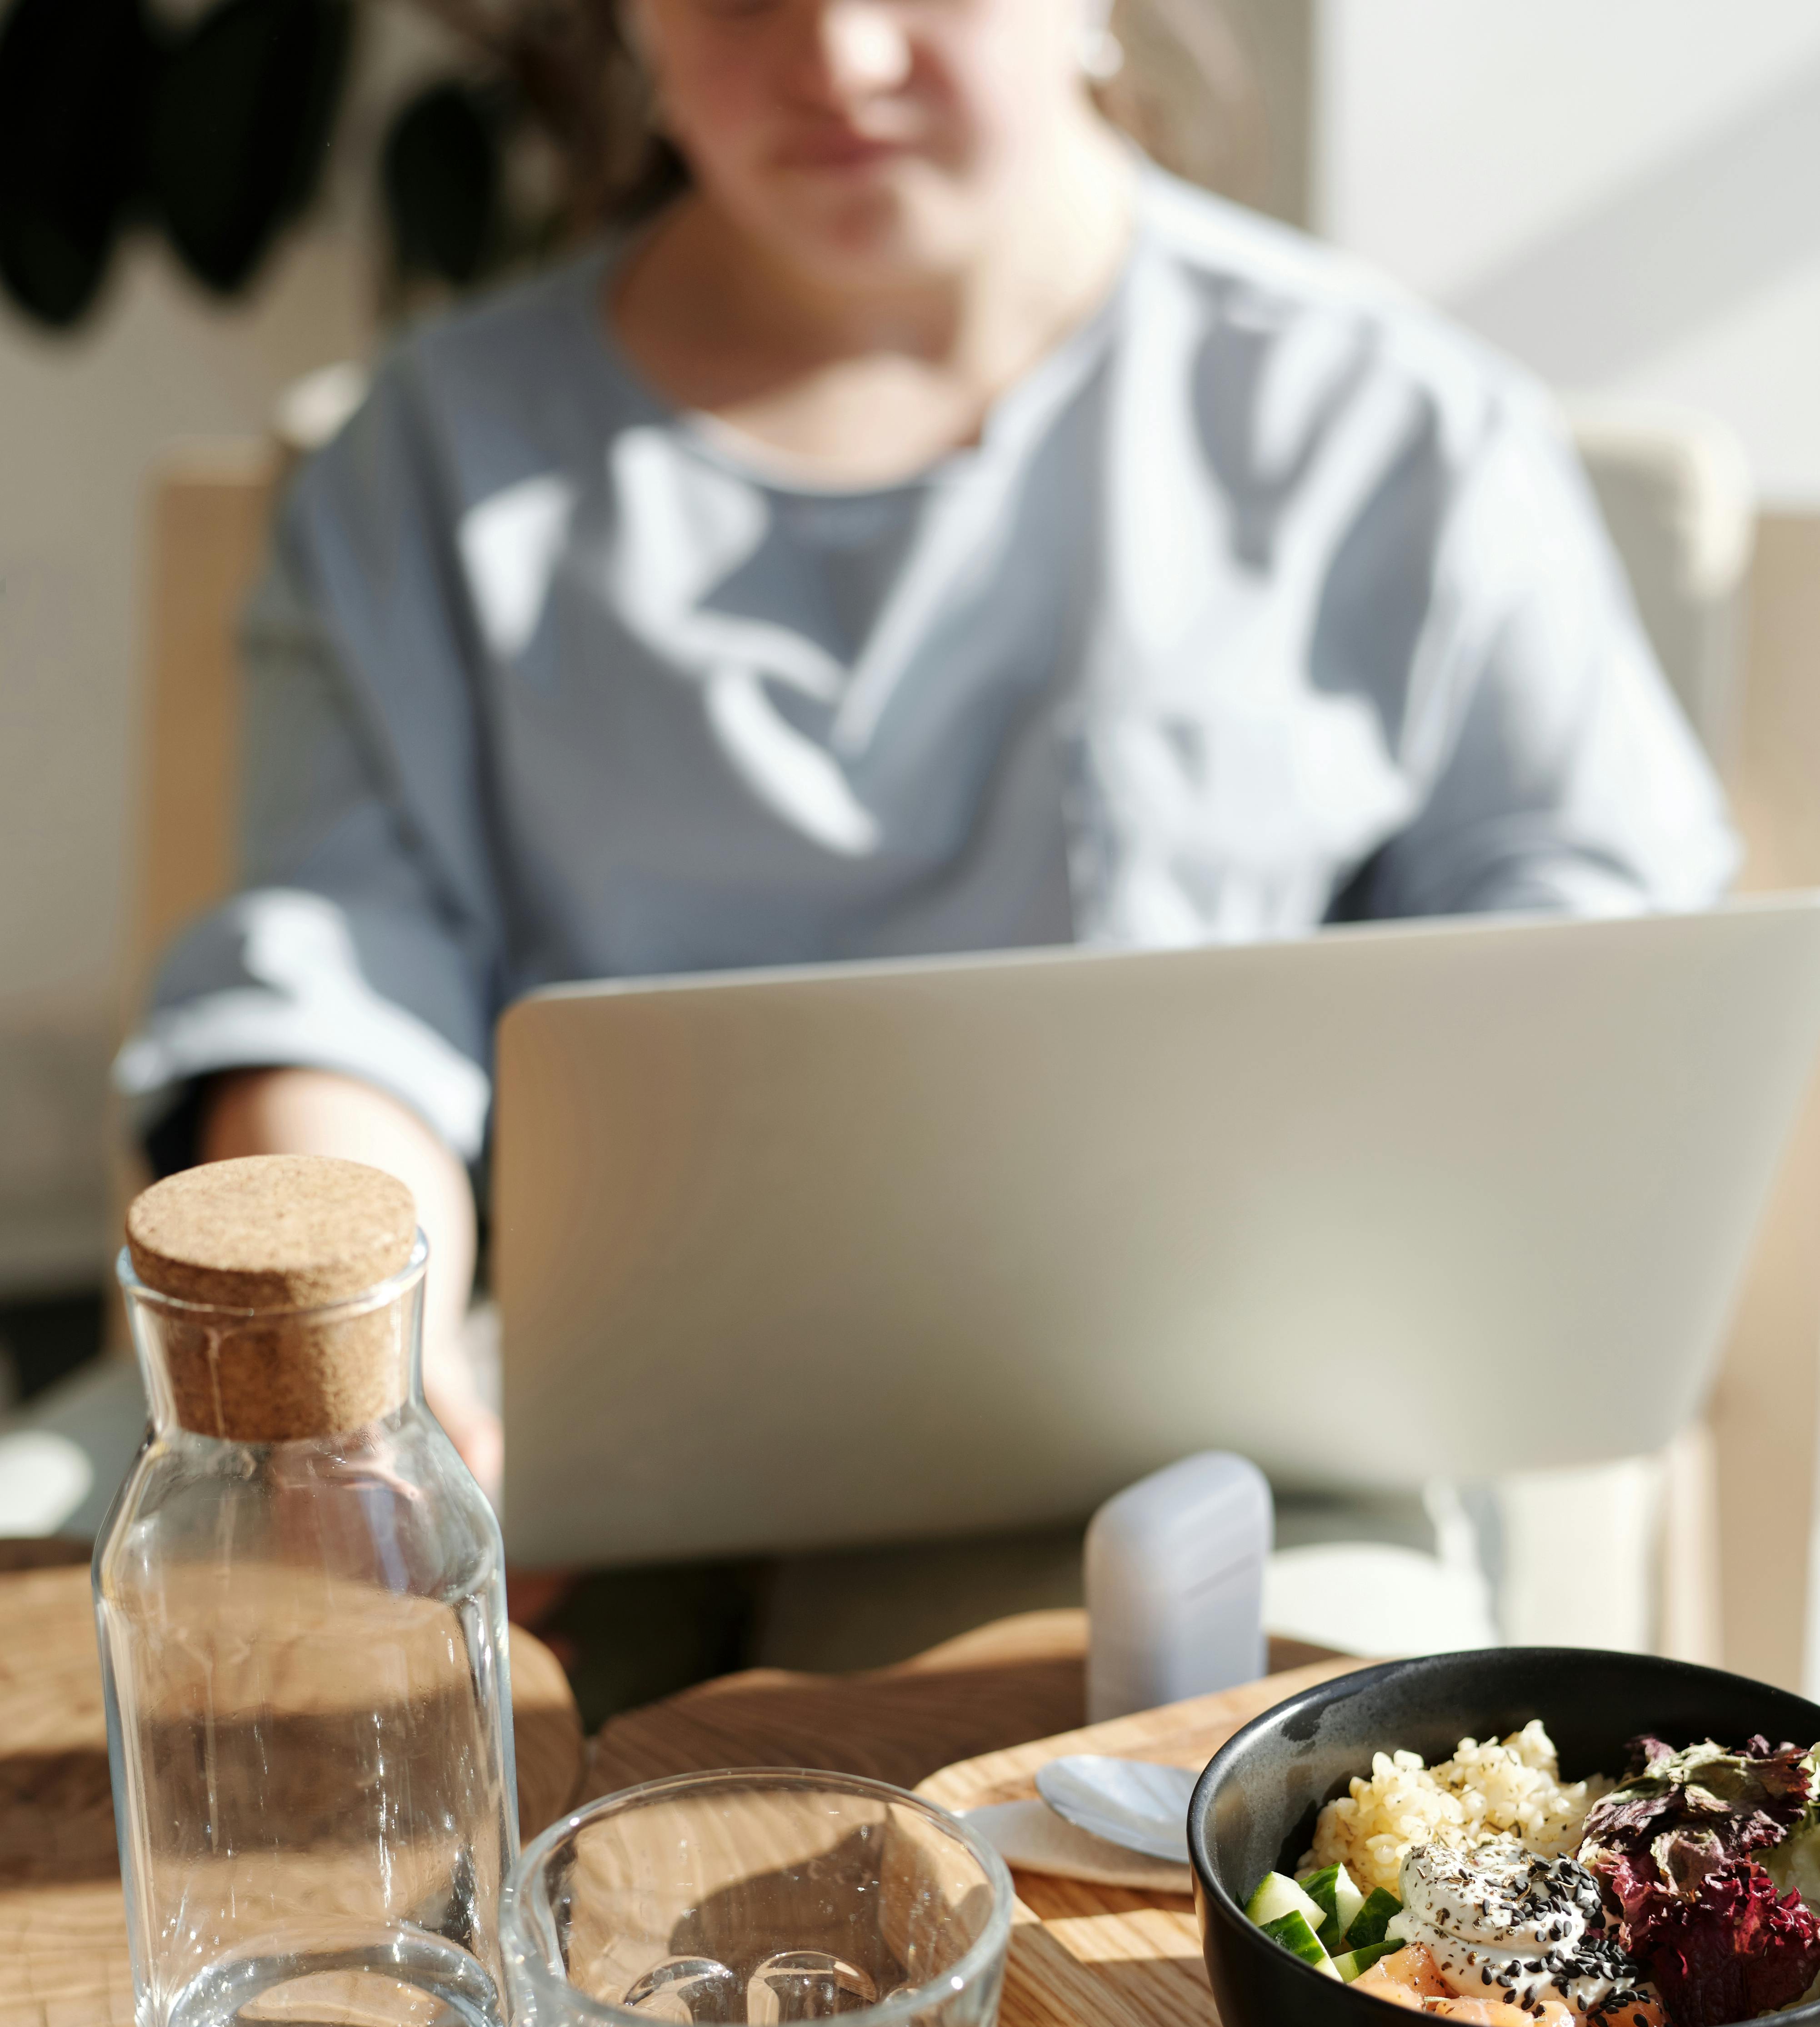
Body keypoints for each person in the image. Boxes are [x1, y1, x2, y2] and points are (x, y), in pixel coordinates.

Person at [116, 0, 1736, 1496]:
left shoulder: (1390, 424)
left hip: (1220, 1452)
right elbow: (338, 979)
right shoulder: (422, 457)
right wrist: (358, 1374)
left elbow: (1583, 970)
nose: (839, 57)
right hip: (589, 1442)